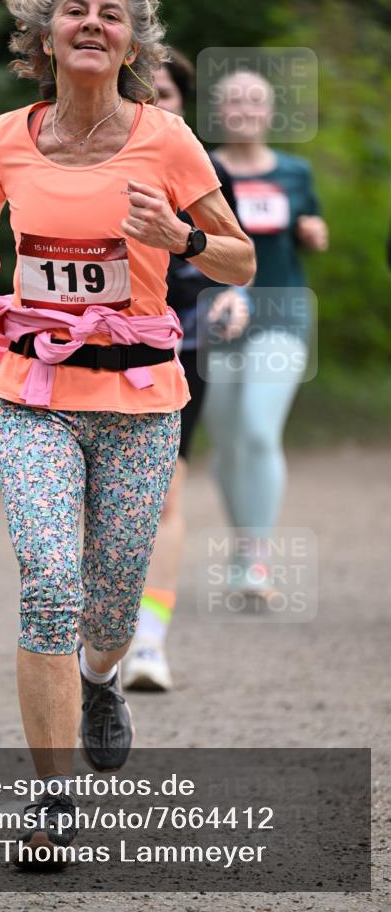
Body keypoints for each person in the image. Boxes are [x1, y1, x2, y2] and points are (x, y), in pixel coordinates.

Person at [0, 0, 254, 866]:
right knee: (48, 583)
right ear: (45, 34)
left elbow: (237, 253)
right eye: (75, 10)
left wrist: (184, 241)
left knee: (110, 604)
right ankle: (51, 805)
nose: (91, 23)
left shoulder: (166, 138)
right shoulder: (7, 135)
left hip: (139, 397)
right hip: (34, 391)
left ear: (131, 46)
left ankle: (102, 678)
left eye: (111, 15)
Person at [123, 53, 249, 692]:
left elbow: (237, 258)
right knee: (102, 502)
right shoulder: (90, 165)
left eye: (166, 94)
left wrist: (233, 297)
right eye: (143, 95)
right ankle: (100, 634)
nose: (156, 106)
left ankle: (148, 642)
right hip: (96, 349)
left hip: (180, 347)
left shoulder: (208, 171)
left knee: (165, 492)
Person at [203, 70, 328, 596]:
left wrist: (313, 233)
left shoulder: (295, 172)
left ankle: (257, 558)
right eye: (234, 101)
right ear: (218, 110)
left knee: (257, 430)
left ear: (270, 111)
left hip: (282, 313)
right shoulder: (202, 170)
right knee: (227, 444)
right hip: (214, 316)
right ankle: (242, 548)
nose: (245, 110)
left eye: (255, 101)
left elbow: (315, 231)